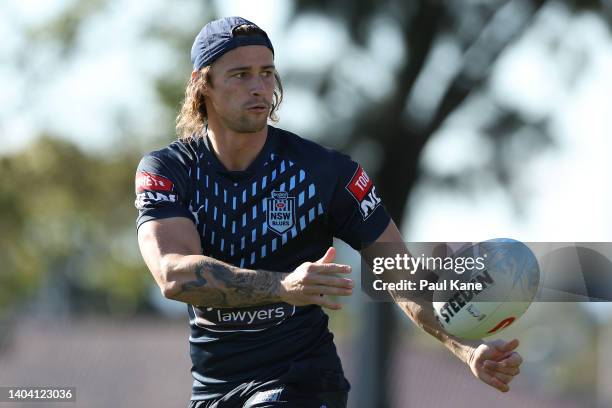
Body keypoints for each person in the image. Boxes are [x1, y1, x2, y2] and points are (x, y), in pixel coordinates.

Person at [135, 16, 522, 408]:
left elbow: (400, 274)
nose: (259, 87)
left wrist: (467, 349)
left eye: (267, 73)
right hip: (214, 391)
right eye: (240, 75)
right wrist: (284, 286)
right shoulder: (169, 171)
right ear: (204, 85)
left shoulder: (326, 172)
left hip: (301, 383)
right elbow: (172, 273)